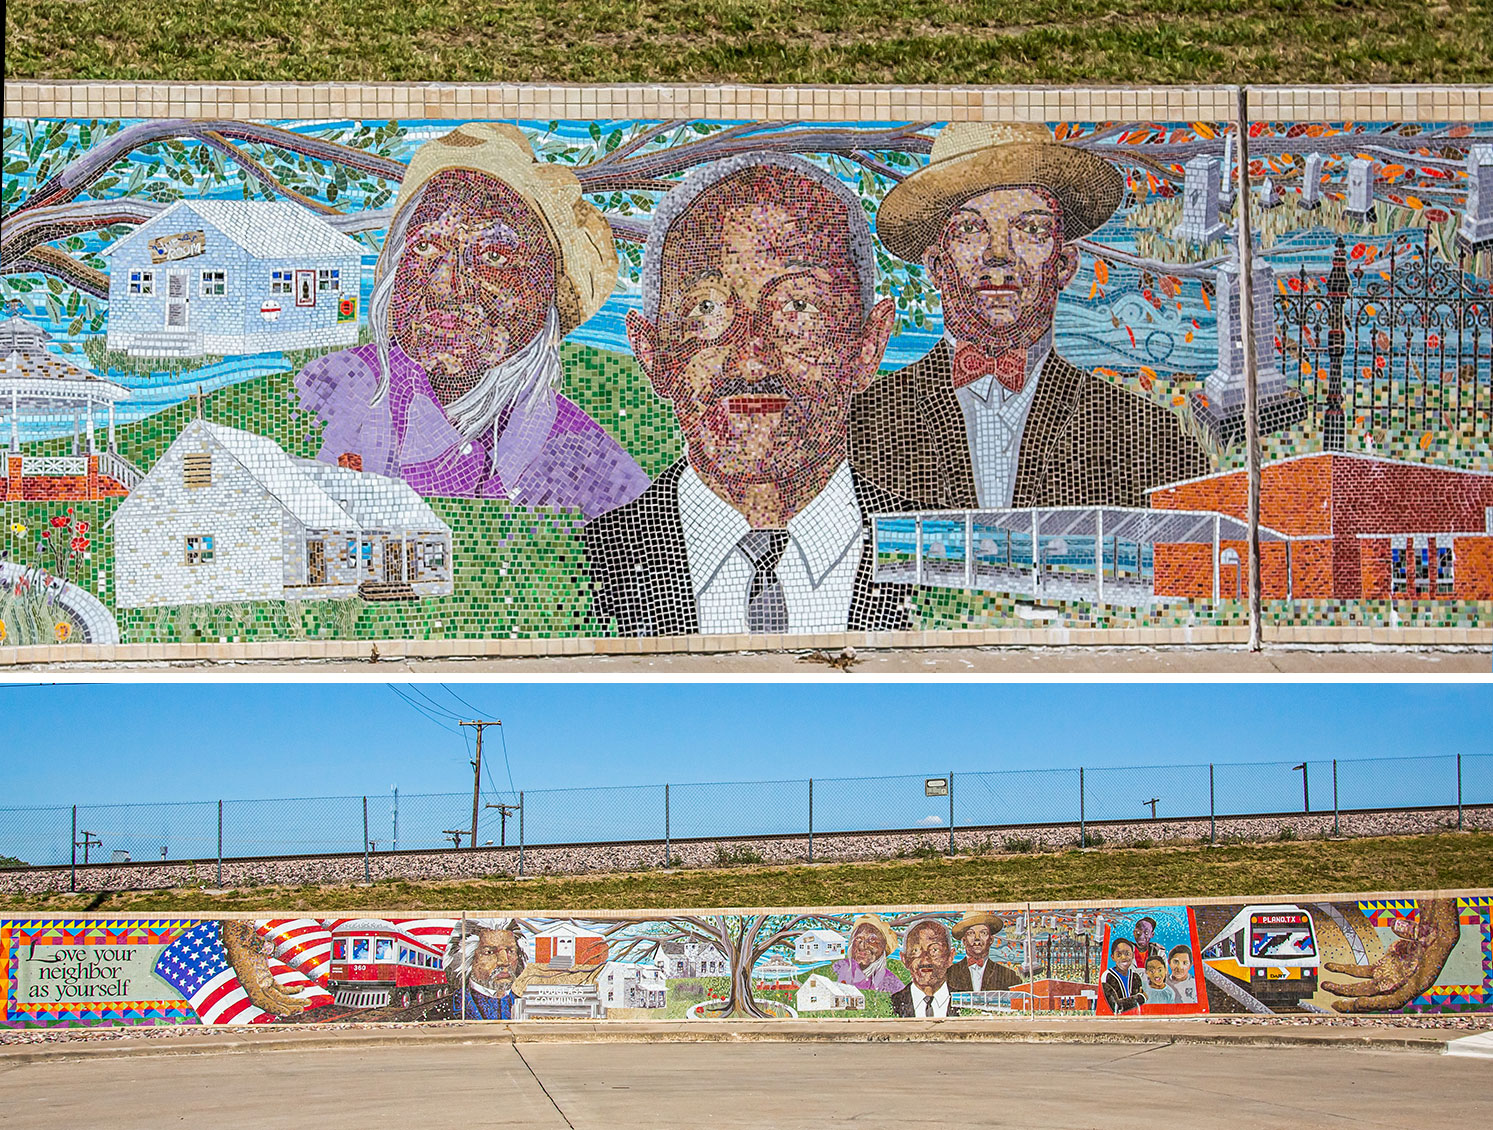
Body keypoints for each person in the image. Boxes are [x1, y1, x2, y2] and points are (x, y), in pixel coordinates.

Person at [583, 153, 915, 636]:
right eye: (707, 309)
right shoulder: (584, 566)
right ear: (653, 353)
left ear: (868, 345)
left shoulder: (936, 558)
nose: (752, 361)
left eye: (798, 307)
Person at [296, 123, 648, 517]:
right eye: (426, 246)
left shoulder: (592, 470)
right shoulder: (327, 390)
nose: (445, 285)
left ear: (549, 291)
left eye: (493, 256)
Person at [854, 122, 1210, 511]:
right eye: (970, 228)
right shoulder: (863, 426)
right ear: (937, 266)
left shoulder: (1151, 440)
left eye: (1031, 228)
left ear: (1064, 265)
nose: (998, 254)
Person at [443, 918, 526, 1020]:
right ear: (467, 958)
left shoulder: (527, 1009)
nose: (504, 961)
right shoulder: (444, 1011)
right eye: (489, 952)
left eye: (510, 951)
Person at [891, 918, 956, 1018]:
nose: (925, 960)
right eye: (915, 950)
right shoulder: (891, 1004)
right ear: (904, 959)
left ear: (950, 957)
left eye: (934, 950)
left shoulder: (967, 1002)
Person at [945, 911, 1020, 992]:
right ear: (964, 941)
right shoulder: (948, 974)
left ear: (991, 940)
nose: (977, 938)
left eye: (983, 933)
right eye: (971, 933)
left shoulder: (1008, 976)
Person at [830, 915, 906, 993]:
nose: (862, 946)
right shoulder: (839, 967)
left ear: (884, 947)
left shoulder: (892, 984)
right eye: (858, 938)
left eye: (872, 940)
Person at [1102, 936, 1146, 1014]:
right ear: (1113, 957)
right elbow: (1117, 1007)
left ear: (1133, 955)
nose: (1123, 957)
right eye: (1119, 955)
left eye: (1127, 954)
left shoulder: (1135, 976)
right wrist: (1141, 998)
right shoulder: (1107, 976)